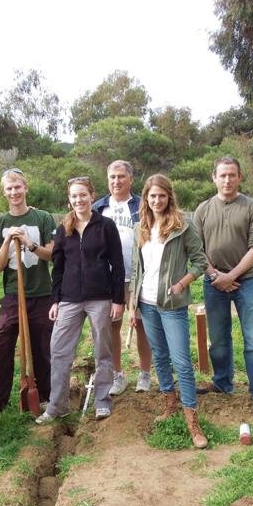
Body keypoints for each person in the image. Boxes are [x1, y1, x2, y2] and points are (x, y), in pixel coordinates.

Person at [36, 177, 125, 424]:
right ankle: (57, 406)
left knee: (102, 351)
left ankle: (102, 402)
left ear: (91, 196)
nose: (79, 200)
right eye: (74, 196)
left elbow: (117, 265)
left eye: (83, 195)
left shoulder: (106, 226)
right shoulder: (64, 228)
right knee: (59, 350)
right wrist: (56, 300)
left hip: (100, 298)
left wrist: (118, 300)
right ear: (69, 200)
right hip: (70, 299)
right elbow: (59, 267)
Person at [130, 174, 209, 449]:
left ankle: (192, 419)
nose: (157, 200)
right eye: (152, 196)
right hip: (147, 303)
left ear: (169, 197)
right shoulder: (141, 227)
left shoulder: (182, 226)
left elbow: (199, 261)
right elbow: (137, 268)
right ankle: (169, 405)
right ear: (146, 198)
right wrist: (133, 305)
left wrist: (181, 284)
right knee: (160, 358)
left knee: (182, 362)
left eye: (161, 195)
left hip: (172, 305)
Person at [193, 156, 253, 421]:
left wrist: (233, 275)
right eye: (222, 175)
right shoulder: (203, 209)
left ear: (240, 177)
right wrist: (216, 275)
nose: (227, 180)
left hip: (246, 281)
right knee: (218, 338)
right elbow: (197, 249)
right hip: (213, 282)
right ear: (213, 177)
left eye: (232, 175)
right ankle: (222, 382)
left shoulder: (252, 207)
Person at [0, 168, 56, 413]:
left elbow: (53, 255)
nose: (14, 192)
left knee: (43, 349)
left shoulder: (44, 218)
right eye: (9, 188)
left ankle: (46, 397)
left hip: (41, 294)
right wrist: (7, 241)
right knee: (0, 345)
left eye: (18, 187)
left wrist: (30, 244)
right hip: (13, 296)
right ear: (4, 192)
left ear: (25, 187)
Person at [91, 160, 152, 396]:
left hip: (138, 276)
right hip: (108, 279)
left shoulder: (142, 206)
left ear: (131, 179)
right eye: (112, 177)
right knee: (111, 328)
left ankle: (145, 375)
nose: (116, 181)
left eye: (121, 177)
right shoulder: (99, 208)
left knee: (141, 326)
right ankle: (118, 375)